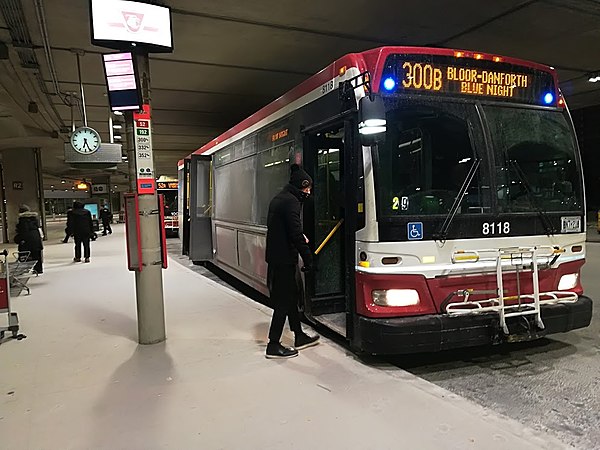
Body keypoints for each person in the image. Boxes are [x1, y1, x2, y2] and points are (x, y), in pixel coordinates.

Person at [264, 164, 320, 359]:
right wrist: (309, 259)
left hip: (277, 257)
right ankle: (273, 344)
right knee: (283, 301)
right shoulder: (292, 202)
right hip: (284, 260)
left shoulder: (279, 199)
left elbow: (282, 229)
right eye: (307, 189)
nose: (308, 192)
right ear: (300, 186)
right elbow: (296, 234)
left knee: (291, 297)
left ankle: (299, 335)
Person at [14, 204, 44, 274]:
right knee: (36, 254)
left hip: (27, 241)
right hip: (36, 240)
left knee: (24, 254)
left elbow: (23, 232)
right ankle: (38, 269)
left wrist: (17, 239)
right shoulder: (34, 219)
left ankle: (23, 269)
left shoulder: (22, 220)